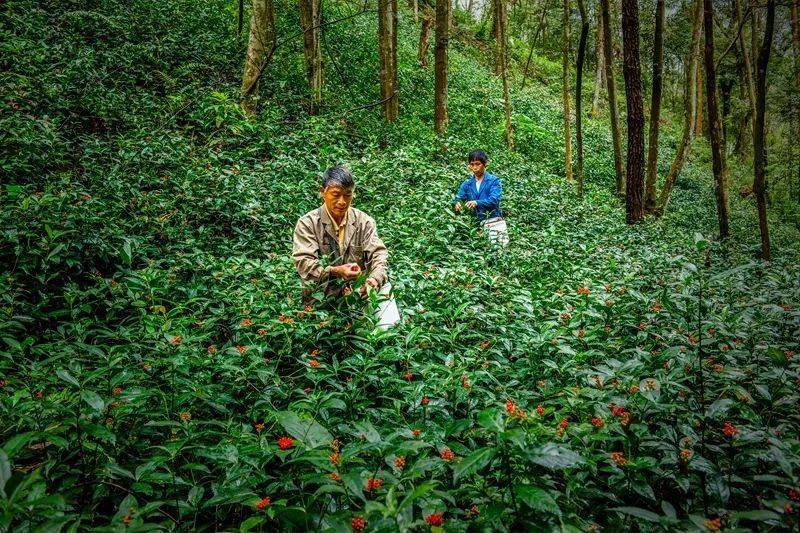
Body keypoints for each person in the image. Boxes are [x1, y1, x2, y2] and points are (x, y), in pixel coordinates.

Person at [293, 166, 389, 300]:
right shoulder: (307, 223)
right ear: (322, 192)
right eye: (336, 195)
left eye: (348, 195)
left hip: (356, 296)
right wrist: (335, 271)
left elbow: (379, 254)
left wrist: (374, 279)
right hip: (320, 299)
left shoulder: (364, 222)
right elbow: (304, 263)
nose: (342, 201)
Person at [453, 150, 508, 245]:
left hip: (493, 221)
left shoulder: (493, 181)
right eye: (472, 164)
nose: (475, 167)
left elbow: (494, 200)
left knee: (499, 250)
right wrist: (456, 203)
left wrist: (477, 202)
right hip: (475, 224)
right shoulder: (467, 183)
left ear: (485, 164)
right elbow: (458, 197)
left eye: (478, 164)